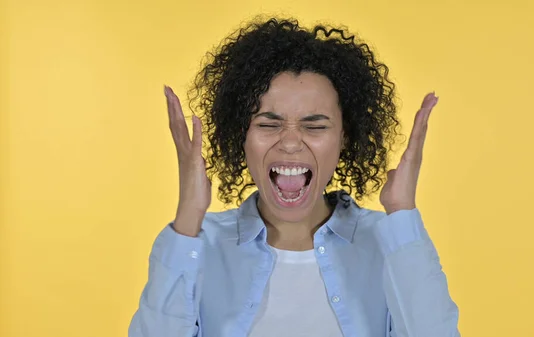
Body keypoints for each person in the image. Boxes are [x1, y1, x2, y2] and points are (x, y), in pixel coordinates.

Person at [128, 17, 460, 337]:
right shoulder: (201, 245)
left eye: (315, 126)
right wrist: (188, 218)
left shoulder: (388, 243)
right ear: (240, 135)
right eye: (268, 124)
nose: (289, 142)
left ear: (345, 136)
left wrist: (402, 213)